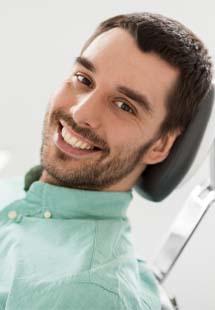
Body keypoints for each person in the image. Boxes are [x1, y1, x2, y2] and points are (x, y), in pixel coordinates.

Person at [0, 12, 213, 310]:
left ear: (161, 145)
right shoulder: (13, 191)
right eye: (84, 79)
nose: (80, 113)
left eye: (124, 106)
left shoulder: (88, 294)